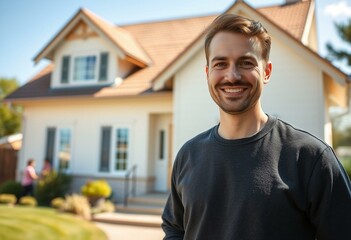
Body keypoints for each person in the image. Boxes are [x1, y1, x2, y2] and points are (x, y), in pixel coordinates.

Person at [161, 14, 351, 240]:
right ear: (207, 73)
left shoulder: (310, 158)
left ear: (267, 71)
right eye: (220, 64)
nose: (232, 76)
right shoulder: (188, 156)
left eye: (246, 63)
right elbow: (174, 229)